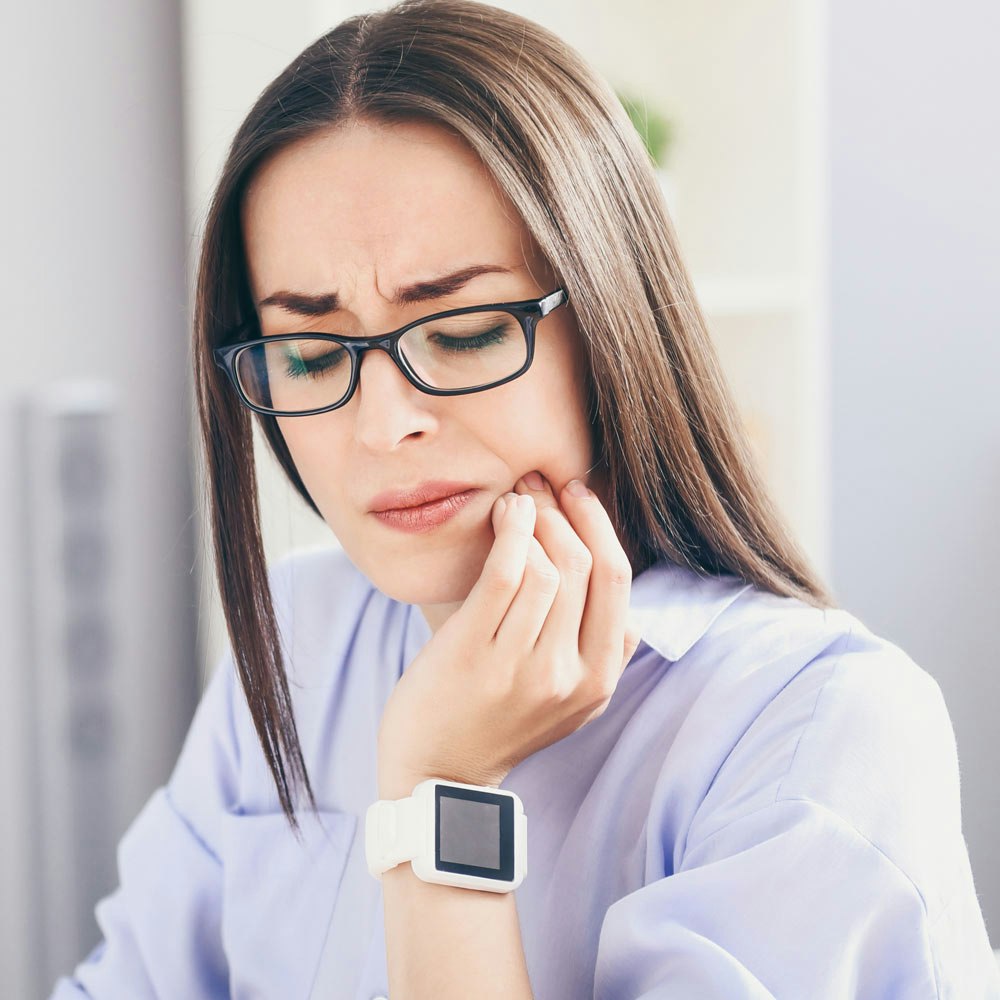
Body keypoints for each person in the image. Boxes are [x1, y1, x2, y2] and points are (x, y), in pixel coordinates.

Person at [51, 0, 999, 997]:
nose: (382, 426)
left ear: (610, 324)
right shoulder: (301, 638)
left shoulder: (815, 728)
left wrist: (438, 795)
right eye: (312, 351)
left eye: (460, 333)